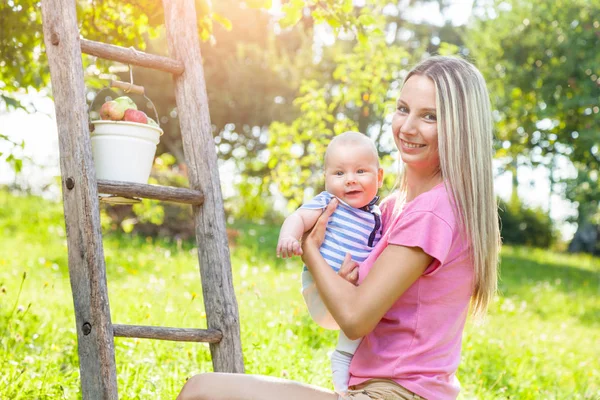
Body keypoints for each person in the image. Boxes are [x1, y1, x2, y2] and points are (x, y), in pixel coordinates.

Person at [176, 55, 501, 400]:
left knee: (202, 392)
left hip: (398, 394)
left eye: (430, 116)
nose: (407, 127)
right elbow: (350, 310)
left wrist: (310, 250)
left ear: (459, 127)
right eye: (403, 108)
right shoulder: (391, 210)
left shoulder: (433, 211)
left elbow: (355, 319)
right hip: (378, 388)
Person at [276, 131, 384, 395]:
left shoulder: (377, 217)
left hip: (350, 302)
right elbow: (298, 218)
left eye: (360, 171)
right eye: (339, 173)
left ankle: (343, 374)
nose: (350, 180)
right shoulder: (329, 202)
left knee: (358, 331)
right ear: (326, 179)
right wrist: (289, 235)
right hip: (320, 289)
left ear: (379, 177)